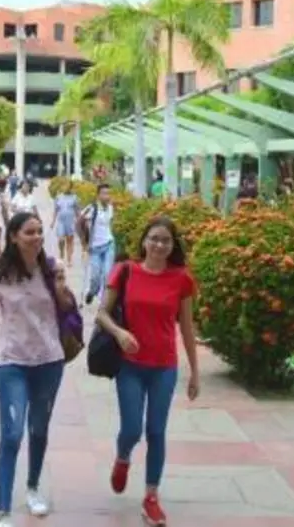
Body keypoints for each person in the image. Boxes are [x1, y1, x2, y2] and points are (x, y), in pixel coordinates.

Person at [0, 212, 70, 527]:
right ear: (13, 237)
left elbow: (66, 309)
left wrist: (61, 286)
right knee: (12, 432)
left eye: (39, 231)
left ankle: (33, 487)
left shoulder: (51, 269)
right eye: (29, 232)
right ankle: (4, 510)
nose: (36, 237)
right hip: (11, 362)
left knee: (39, 429)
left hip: (49, 360)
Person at [96, 216, 200, 526]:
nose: (159, 245)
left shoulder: (181, 279)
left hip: (164, 367)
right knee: (132, 429)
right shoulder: (125, 270)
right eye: (154, 238)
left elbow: (187, 328)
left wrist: (195, 372)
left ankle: (151, 497)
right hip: (130, 365)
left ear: (172, 245)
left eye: (165, 240)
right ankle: (123, 457)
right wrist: (119, 333)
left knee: (156, 431)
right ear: (144, 241)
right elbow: (101, 313)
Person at [79, 184, 117, 305]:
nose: (107, 196)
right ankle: (92, 291)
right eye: (104, 193)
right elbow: (79, 222)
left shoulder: (110, 208)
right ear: (98, 195)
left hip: (109, 244)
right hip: (94, 247)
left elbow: (110, 224)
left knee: (107, 274)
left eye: (109, 193)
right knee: (95, 276)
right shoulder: (91, 208)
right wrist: (84, 242)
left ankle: (103, 303)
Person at [51, 180, 79, 268]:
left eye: (68, 186)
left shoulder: (74, 197)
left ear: (71, 187)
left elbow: (77, 210)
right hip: (61, 221)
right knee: (61, 239)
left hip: (70, 222)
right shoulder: (58, 197)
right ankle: (61, 252)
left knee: (70, 241)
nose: (66, 188)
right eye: (64, 186)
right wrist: (53, 221)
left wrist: (79, 221)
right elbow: (56, 210)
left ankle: (69, 259)